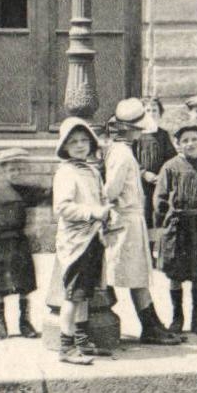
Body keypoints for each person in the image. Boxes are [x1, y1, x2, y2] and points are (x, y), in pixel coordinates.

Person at [103, 97, 184, 346]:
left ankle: (152, 324)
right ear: (129, 129)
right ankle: (149, 326)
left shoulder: (124, 151)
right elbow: (110, 191)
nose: (140, 133)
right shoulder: (121, 154)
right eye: (137, 128)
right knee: (133, 276)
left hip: (132, 220)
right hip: (124, 221)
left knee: (138, 275)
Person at [52, 117, 114, 366]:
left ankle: (82, 340)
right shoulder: (65, 172)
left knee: (85, 294)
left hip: (93, 239)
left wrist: (107, 211)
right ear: (65, 147)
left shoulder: (91, 171)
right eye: (73, 142)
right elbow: (63, 208)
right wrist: (93, 212)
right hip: (75, 243)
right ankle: (65, 347)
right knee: (72, 295)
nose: (79, 146)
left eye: (84, 141)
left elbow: (100, 199)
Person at [153, 120, 197, 336]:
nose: (190, 144)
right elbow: (159, 200)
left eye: (194, 140)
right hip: (177, 225)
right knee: (175, 273)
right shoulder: (170, 167)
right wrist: (167, 222)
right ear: (178, 144)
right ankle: (177, 318)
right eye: (185, 140)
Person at [0, 146, 51, 340]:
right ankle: (0, 320)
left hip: (20, 243)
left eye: (20, 169)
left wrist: (41, 219)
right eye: (12, 170)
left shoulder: (27, 191)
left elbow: (47, 196)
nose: (16, 173)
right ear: (4, 171)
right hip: (0, 244)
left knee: (24, 284)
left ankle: (24, 322)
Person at [132, 96, 174, 230]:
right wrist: (144, 173)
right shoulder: (136, 135)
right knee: (144, 215)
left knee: (159, 214)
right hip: (141, 184)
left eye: (154, 110)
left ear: (160, 113)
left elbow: (171, 158)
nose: (151, 114)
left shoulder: (163, 135)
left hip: (159, 183)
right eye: (147, 110)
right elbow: (131, 158)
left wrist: (162, 175)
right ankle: (146, 250)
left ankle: (156, 247)